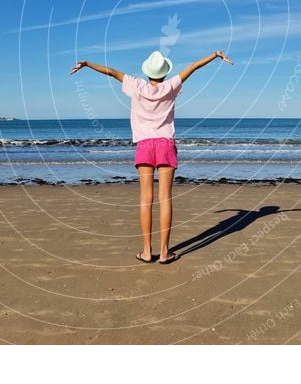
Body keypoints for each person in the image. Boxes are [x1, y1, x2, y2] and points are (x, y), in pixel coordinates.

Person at [70, 49, 233, 264]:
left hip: (145, 146)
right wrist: (215, 55)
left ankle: (147, 251)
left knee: (145, 200)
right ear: (165, 72)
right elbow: (193, 66)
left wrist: (88, 64)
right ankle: (164, 253)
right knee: (165, 198)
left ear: (148, 72)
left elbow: (111, 72)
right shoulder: (171, 86)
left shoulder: (136, 85)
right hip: (165, 144)